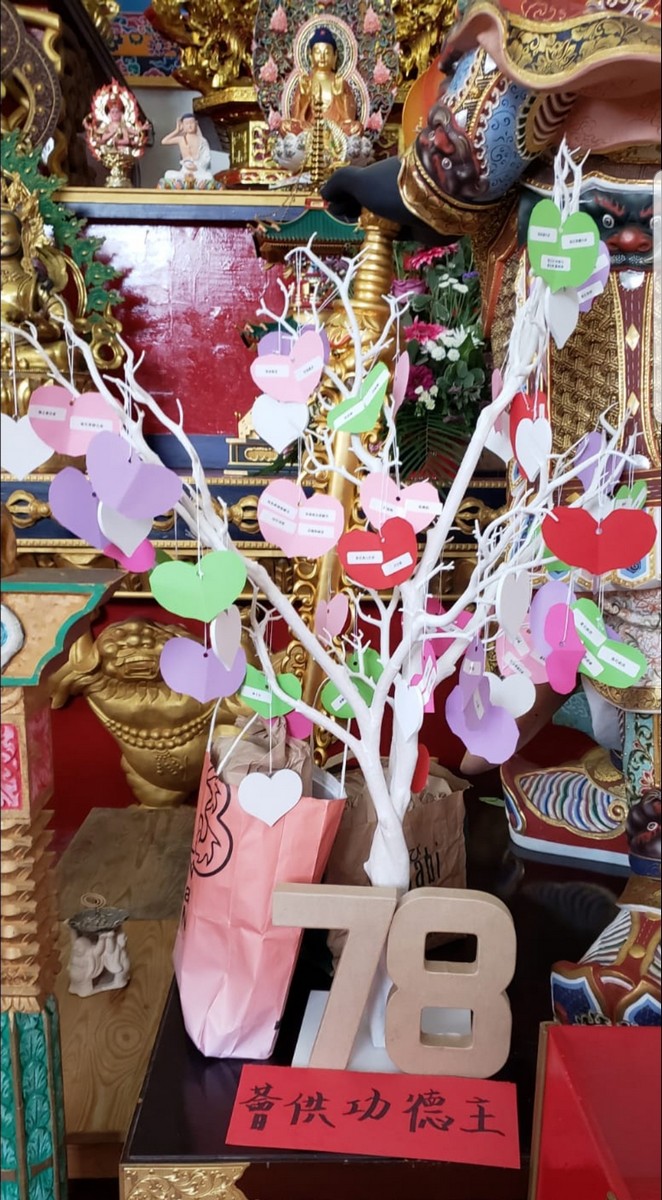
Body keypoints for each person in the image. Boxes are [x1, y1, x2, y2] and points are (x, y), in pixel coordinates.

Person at [283, 26, 361, 137]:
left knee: (357, 127)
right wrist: (304, 97)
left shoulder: (340, 82)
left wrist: (339, 97)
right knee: (285, 126)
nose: (322, 56)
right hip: (309, 132)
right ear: (310, 56)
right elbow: (296, 118)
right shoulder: (305, 82)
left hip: (335, 133)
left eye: (327, 52)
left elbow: (349, 119)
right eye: (318, 52)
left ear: (335, 56)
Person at [160, 114, 215, 187]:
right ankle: (189, 183)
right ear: (183, 125)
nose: (189, 126)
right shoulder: (181, 139)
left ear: (196, 123)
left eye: (191, 123)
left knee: (209, 176)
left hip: (198, 171)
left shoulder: (202, 141)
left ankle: (189, 184)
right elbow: (164, 141)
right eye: (187, 123)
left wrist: (196, 166)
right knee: (168, 174)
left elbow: (206, 158)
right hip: (185, 172)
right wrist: (177, 130)